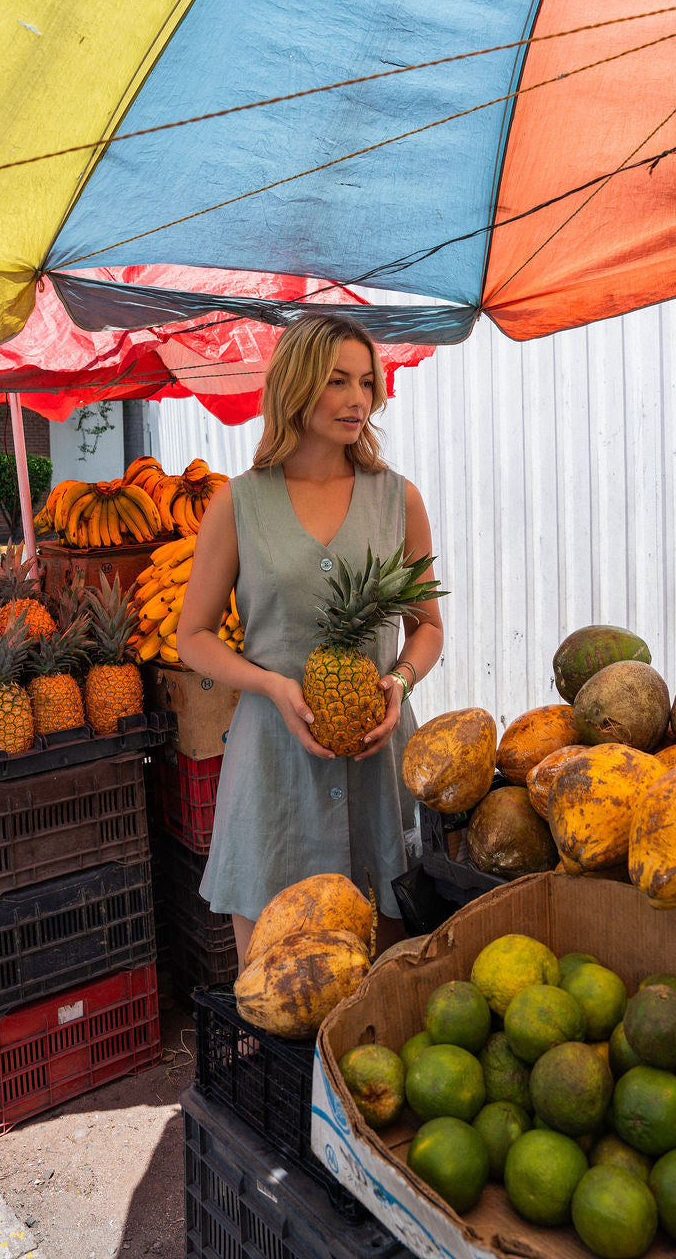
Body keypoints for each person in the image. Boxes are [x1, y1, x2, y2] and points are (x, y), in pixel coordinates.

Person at [176, 313, 445, 963]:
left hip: (378, 762)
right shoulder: (239, 503)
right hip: (272, 765)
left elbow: (428, 628)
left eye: (365, 382)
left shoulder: (397, 499)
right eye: (337, 382)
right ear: (296, 388)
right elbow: (194, 636)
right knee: (274, 981)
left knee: (387, 977)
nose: (358, 399)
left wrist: (400, 680)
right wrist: (268, 682)